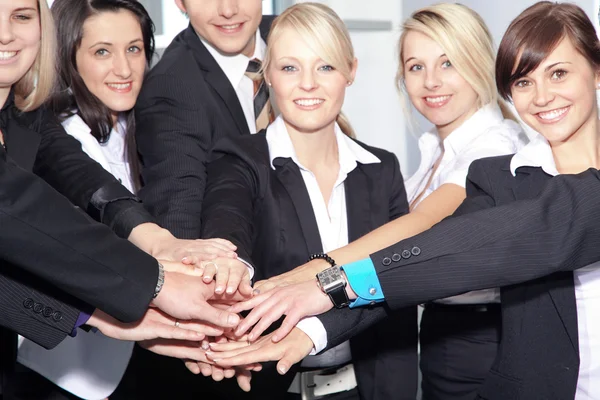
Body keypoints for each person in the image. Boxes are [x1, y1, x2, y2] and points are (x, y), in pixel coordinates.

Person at [206, 2, 600, 399]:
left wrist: (324, 278)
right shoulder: (500, 176)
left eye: (559, 73)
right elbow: (420, 265)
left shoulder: (500, 160)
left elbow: (479, 240)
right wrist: (310, 333)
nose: (542, 96)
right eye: (523, 82)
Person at [0, 0, 245, 397]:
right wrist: (157, 281)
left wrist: (162, 245)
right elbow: (40, 218)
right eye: (101, 51)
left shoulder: (29, 119)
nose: (6, 34)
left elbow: (91, 185)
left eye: (22, 16)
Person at [116, 0, 276, 394]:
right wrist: (211, 325)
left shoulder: (293, 36)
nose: (228, 9)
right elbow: (181, 222)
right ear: (179, 2)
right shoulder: (172, 86)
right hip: (249, 321)